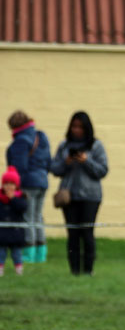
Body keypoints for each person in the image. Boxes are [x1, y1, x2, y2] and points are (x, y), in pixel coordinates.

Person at [50, 111, 109, 276]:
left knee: (87, 233)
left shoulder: (96, 146)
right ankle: (74, 271)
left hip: (90, 197)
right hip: (69, 197)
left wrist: (87, 161)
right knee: (73, 234)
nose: (76, 130)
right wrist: (66, 163)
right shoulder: (64, 146)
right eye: (74, 126)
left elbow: (103, 170)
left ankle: (88, 270)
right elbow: (54, 169)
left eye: (80, 127)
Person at [6, 110, 52, 264]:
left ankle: (29, 253)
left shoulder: (20, 140)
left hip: (28, 184)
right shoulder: (41, 136)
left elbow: (19, 167)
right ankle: (41, 253)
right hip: (42, 182)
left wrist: (16, 186)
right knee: (38, 217)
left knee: (27, 217)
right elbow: (47, 161)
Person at [0, 166, 28, 276]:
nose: (9, 186)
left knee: (16, 253)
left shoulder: (21, 197)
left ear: (16, 185)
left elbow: (22, 208)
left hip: (16, 233)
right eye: (6, 183)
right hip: (2, 233)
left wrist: (13, 199)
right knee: (1, 253)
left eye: (12, 184)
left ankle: (19, 270)